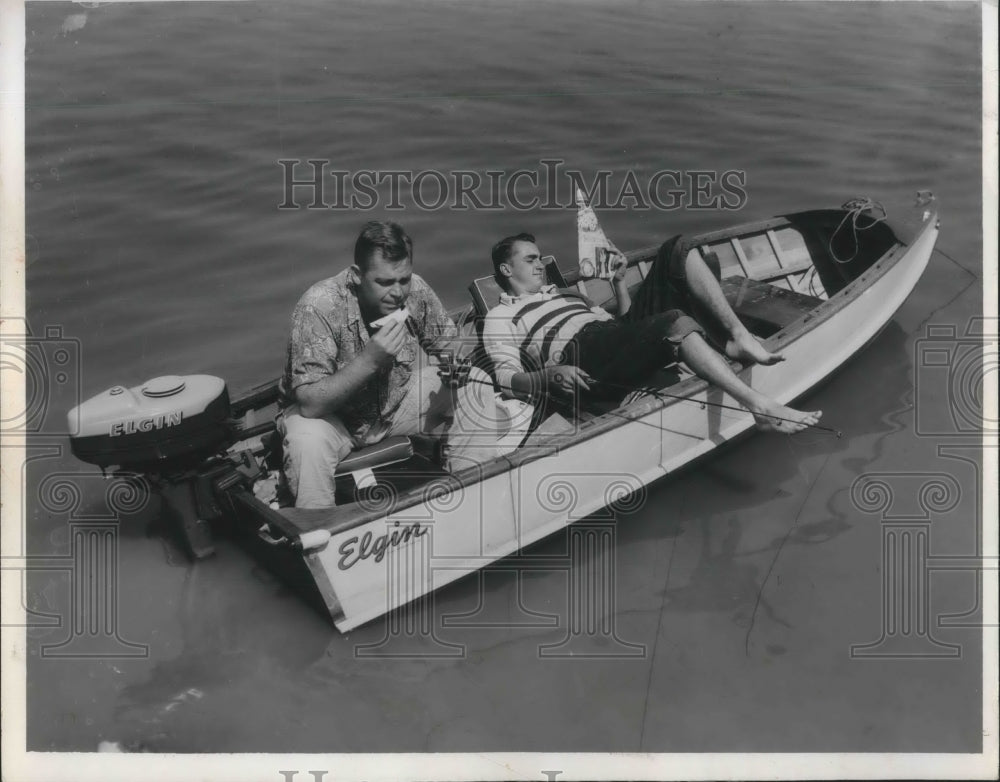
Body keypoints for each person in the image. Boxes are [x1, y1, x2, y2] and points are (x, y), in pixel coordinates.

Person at [481, 232, 822, 433]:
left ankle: (737, 336)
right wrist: (547, 375)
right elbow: (505, 379)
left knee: (679, 249)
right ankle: (759, 406)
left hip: (607, 337)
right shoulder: (500, 316)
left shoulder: (567, 295)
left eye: (540, 258)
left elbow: (629, 329)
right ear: (507, 269)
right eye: (531, 259)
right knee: (672, 320)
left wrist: (618, 284)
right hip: (579, 357)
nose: (541, 264)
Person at [278, 221, 501, 508]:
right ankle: (320, 535)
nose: (397, 292)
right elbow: (309, 405)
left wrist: (454, 360)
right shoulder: (319, 305)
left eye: (403, 280)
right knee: (305, 440)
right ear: (357, 275)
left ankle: (474, 494)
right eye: (384, 282)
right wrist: (370, 360)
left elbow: (450, 344)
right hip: (333, 421)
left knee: (476, 381)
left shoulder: (415, 290)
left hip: (391, 408)